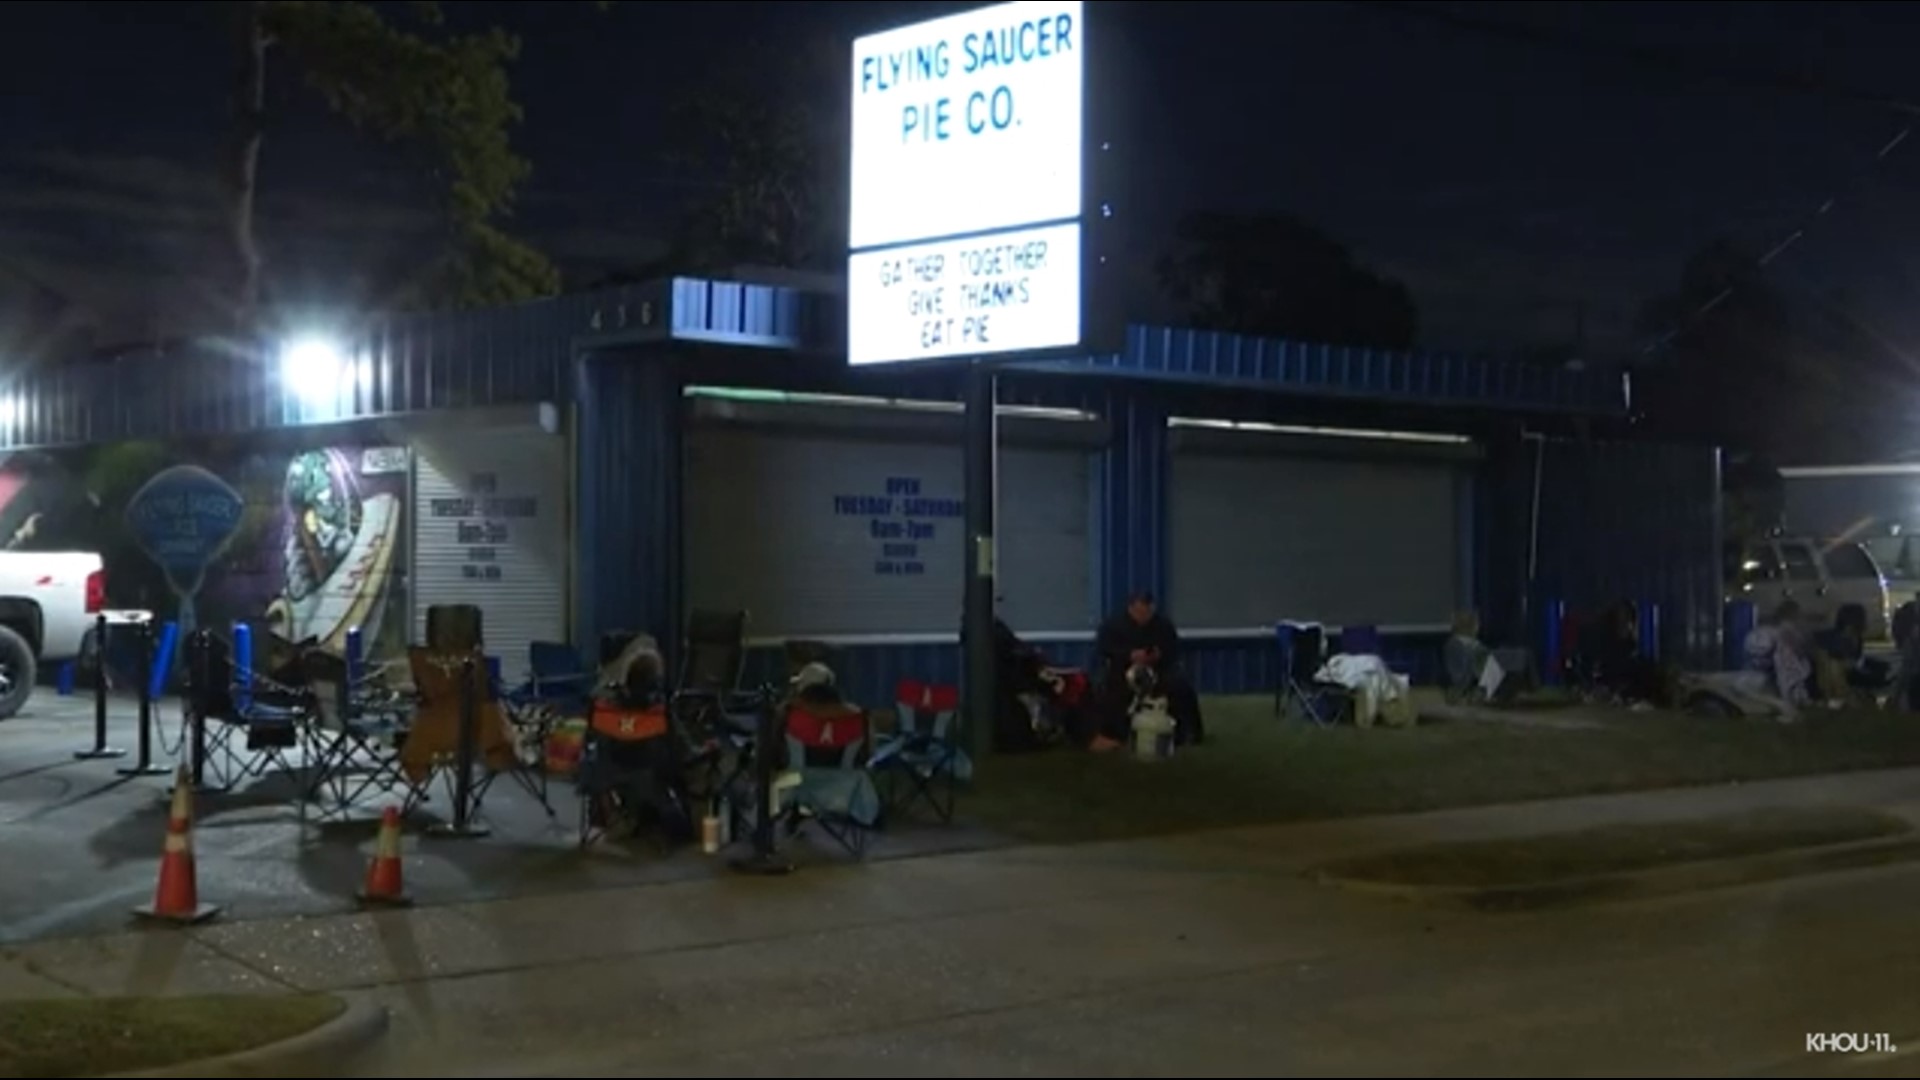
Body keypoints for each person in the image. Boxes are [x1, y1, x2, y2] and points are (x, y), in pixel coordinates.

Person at [1093, 592, 1204, 748]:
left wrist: (1158, 655)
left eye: (1147, 612)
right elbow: (1103, 649)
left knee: (1181, 688)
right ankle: (1114, 734)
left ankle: (1186, 733)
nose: (1144, 617)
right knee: (1109, 692)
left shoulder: (1163, 626)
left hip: (1158, 671)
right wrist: (1129, 655)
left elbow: (1173, 650)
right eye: (1140, 612)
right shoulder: (1112, 626)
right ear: (1130, 608)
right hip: (1122, 672)